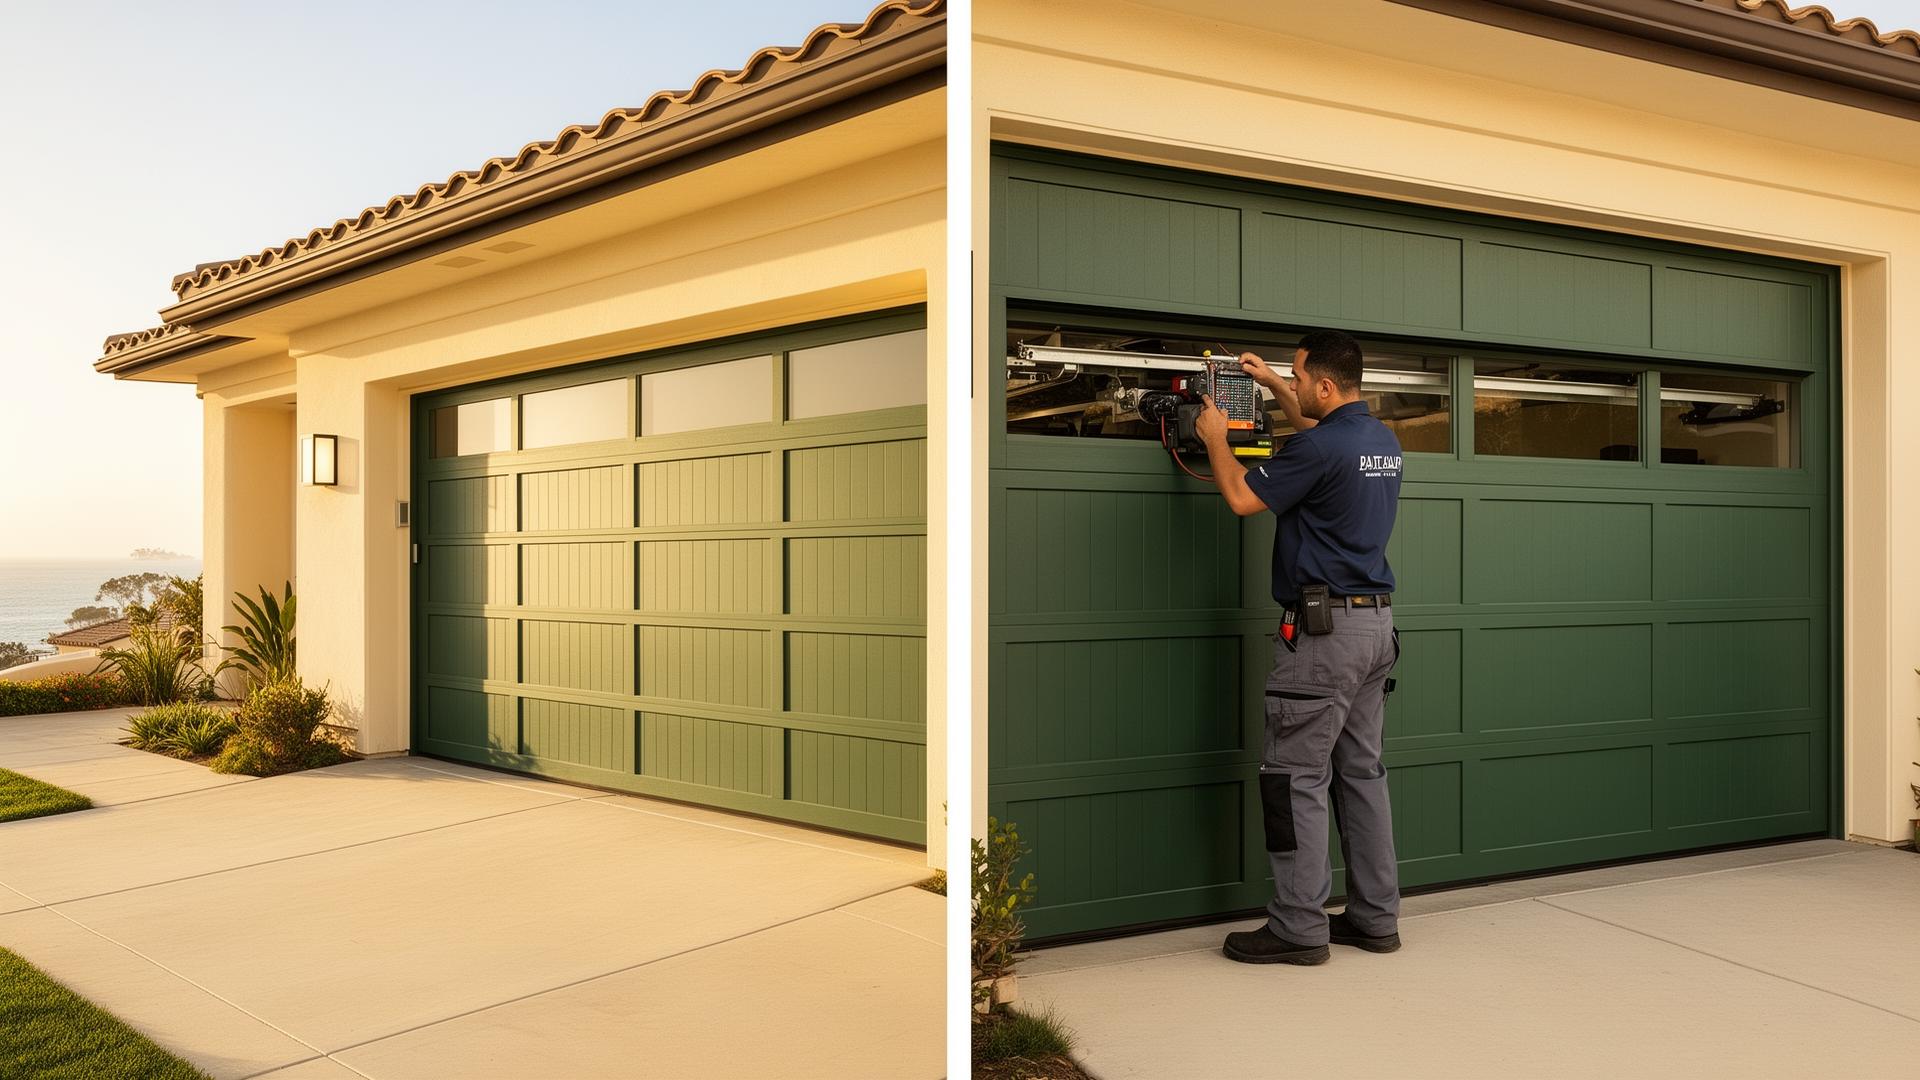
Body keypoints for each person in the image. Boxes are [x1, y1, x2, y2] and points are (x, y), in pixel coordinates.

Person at [1193, 328, 1405, 966]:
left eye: (1298, 373)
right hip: (1375, 631)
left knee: (1293, 777)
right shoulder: (1381, 440)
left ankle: (1297, 927)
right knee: (1361, 775)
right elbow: (1318, 436)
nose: (1294, 381)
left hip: (1323, 638)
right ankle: (1374, 919)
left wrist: (1214, 440)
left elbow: (1239, 497)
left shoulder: (1317, 448)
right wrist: (1276, 386)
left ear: (1327, 385)